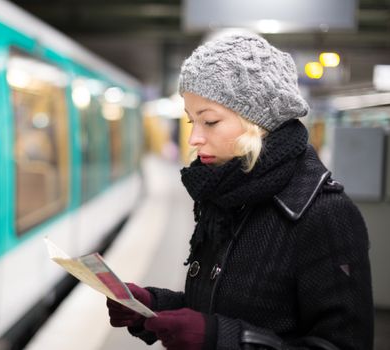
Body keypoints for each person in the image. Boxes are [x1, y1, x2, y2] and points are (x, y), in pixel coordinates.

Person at [105, 32, 373, 350]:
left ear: (257, 122)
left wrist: (222, 340)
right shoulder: (227, 195)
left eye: (211, 121)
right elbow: (223, 307)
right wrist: (156, 305)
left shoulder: (324, 214)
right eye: (192, 122)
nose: (194, 139)